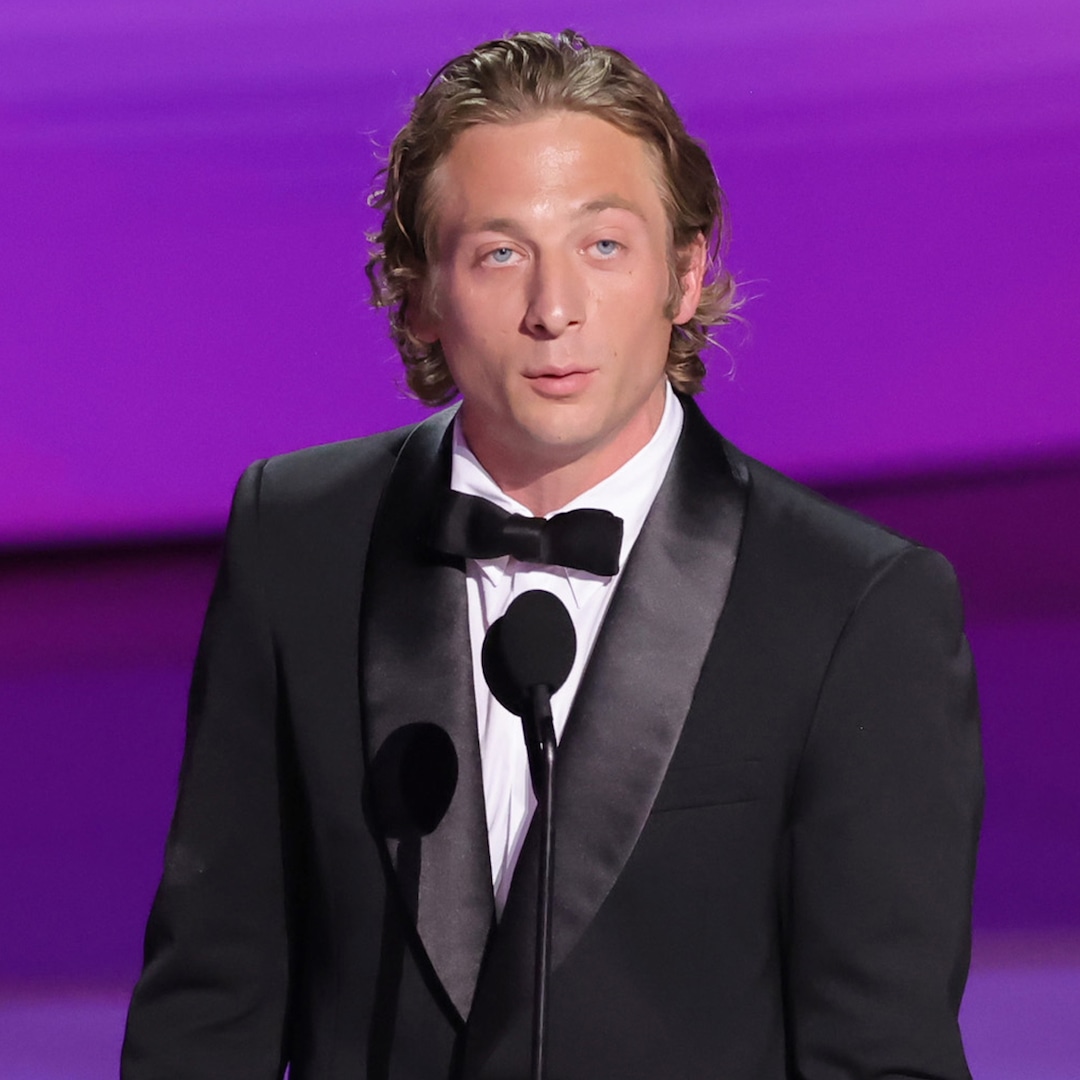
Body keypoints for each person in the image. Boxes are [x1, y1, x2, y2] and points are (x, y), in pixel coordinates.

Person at [122, 30, 983, 1079]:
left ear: (685, 273)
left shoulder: (854, 603)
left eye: (603, 246)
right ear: (420, 294)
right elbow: (210, 1005)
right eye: (500, 254)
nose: (554, 310)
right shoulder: (297, 541)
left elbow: (884, 1055)